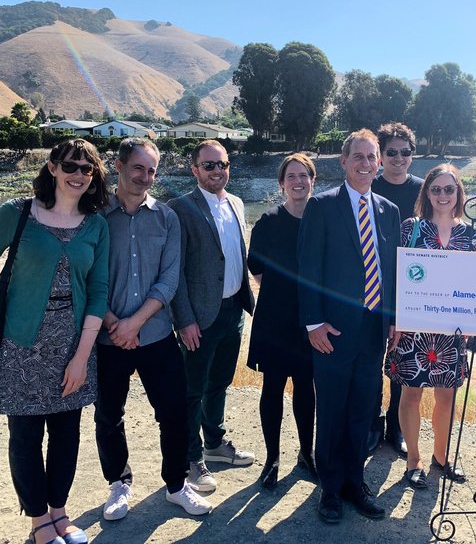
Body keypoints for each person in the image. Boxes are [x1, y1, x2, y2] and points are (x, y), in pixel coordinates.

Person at [0, 138, 110, 544]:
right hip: (21, 342)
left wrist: (82, 357)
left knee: (67, 434)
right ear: (51, 167)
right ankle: (37, 521)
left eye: (86, 168)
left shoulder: (96, 225)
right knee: (26, 436)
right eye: (70, 165)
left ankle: (60, 513)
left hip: (73, 344)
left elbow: (99, 291)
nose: (78, 174)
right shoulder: (19, 214)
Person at [96, 138, 211, 520]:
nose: (145, 177)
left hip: (157, 333)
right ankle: (118, 483)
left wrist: (135, 322)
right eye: (138, 168)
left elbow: (168, 279)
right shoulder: (94, 216)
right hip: (107, 337)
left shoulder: (166, 217)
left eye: (152, 171)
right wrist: (116, 324)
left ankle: (176, 485)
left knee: (173, 413)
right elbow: (87, 277)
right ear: (119, 166)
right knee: (109, 415)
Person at [297, 129, 400, 524]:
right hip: (332, 333)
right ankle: (330, 489)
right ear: (343, 162)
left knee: (363, 410)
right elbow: (308, 269)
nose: (365, 163)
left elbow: (389, 272)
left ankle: (355, 483)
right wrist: (313, 324)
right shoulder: (322, 207)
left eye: (371, 156)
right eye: (357, 156)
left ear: (378, 162)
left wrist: (392, 320)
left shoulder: (388, 211)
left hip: (374, 332)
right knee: (333, 411)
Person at [385, 164, 476, 489]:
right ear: (426, 193)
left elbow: (475, 281)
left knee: (447, 397)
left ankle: (441, 457)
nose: (443, 195)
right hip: (413, 327)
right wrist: (395, 318)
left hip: (451, 331)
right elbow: (397, 275)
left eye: (449, 189)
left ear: (458, 193)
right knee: (411, 395)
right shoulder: (411, 228)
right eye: (436, 189)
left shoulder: (470, 234)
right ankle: (413, 460)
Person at [170, 140, 256, 493]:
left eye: (222, 164)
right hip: (199, 319)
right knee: (192, 390)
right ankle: (192, 458)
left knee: (219, 382)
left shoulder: (235, 203)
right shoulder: (179, 208)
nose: (217, 171)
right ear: (194, 170)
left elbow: (237, 256)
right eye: (208, 166)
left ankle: (215, 443)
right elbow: (173, 271)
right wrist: (184, 320)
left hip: (233, 310)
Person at [247, 153, 318, 489]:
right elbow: (256, 269)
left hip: (310, 321)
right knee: (272, 388)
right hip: (275, 319)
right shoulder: (268, 221)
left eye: (304, 175)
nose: (298, 181)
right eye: (291, 176)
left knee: (306, 387)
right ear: (281, 183)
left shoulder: (322, 220)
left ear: (312, 180)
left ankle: (307, 453)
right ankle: (272, 458)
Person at [368, 122, 424, 457]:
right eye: (391, 152)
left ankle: (396, 426)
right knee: (374, 356)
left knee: (402, 360)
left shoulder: (423, 191)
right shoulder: (367, 187)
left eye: (405, 152)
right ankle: (372, 424)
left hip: (413, 286)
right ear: (380, 156)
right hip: (374, 284)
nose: (399, 158)